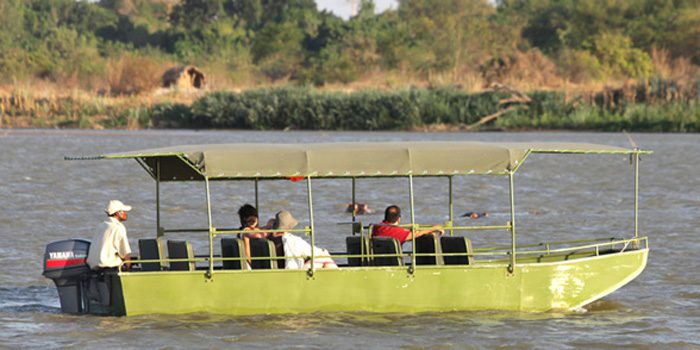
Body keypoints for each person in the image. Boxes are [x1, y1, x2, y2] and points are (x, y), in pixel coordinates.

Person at [269, 210, 337, 269]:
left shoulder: (270, 238)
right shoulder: (293, 241)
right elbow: (315, 252)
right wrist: (325, 252)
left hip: (280, 269)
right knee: (325, 258)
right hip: (294, 272)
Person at [87, 200, 133, 270]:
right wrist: (129, 267)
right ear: (117, 213)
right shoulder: (118, 227)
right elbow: (124, 253)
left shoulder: (101, 225)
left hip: (94, 267)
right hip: (109, 268)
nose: (126, 213)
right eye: (124, 211)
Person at [372, 205, 444, 245]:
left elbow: (411, 234)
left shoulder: (376, 227)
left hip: (378, 261)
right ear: (398, 219)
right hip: (393, 262)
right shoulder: (397, 232)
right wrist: (433, 228)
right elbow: (415, 234)